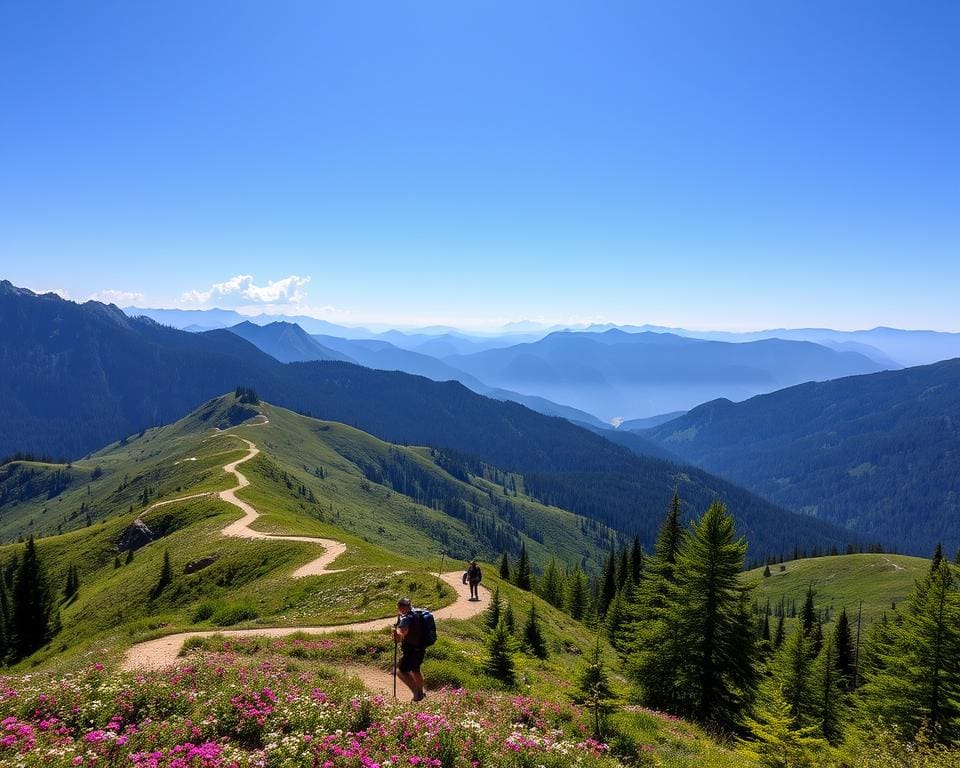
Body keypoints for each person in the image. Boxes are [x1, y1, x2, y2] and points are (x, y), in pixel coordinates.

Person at [393, 597, 426, 702]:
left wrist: (396, 631)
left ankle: (416, 692)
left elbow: (400, 636)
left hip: (411, 649)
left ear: (401, 607)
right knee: (416, 669)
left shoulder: (406, 618)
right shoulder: (418, 612)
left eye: (399, 608)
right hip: (421, 647)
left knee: (400, 670)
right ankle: (420, 691)